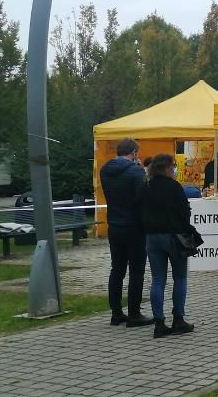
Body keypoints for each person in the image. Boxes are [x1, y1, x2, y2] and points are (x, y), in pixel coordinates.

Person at [136, 154, 195, 338]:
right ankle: (178, 319)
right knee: (180, 278)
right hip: (174, 236)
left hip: (152, 237)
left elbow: (138, 210)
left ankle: (159, 322)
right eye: (173, 166)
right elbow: (184, 211)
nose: (175, 169)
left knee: (158, 279)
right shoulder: (174, 187)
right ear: (168, 167)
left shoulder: (145, 186)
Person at [99, 138, 153, 328]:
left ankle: (116, 313)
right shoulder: (136, 171)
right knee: (136, 271)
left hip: (114, 224)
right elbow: (144, 197)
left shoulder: (105, 170)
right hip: (134, 226)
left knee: (117, 269)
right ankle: (134, 313)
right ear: (134, 152)